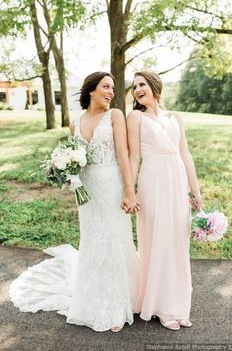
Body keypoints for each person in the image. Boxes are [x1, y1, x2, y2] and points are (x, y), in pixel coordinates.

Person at [10, 71, 140, 332]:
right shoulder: (75, 123)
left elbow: (124, 155)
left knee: (115, 239)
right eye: (106, 86)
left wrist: (129, 191)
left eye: (113, 88)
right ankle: (93, 300)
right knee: (92, 241)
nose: (110, 92)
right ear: (91, 90)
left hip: (112, 185)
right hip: (88, 193)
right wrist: (70, 175)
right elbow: (77, 160)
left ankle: (117, 304)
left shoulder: (115, 116)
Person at [127, 71, 202, 331]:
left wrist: (195, 189)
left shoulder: (175, 117)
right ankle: (160, 307)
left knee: (177, 241)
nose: (137, 89)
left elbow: (185, 153)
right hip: (153, 181)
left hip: (177, 181)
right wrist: (130, 191)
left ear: (155, 86)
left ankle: (177, 304)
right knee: (157, 239)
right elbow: (134, 156)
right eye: (134, 86)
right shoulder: (135, 117)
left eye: (142, 84)